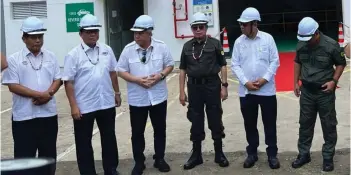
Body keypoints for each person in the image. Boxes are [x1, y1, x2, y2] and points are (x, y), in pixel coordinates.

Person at [62, 14, 121, 175]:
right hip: (84, 106)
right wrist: (73, 106)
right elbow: (68, 82)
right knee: (83, 143)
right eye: (88, 31)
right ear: (81, 34)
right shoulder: (73, 55)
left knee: (109, 139)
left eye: (95, 31)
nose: (92, 34)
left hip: (106, 103)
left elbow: (113, 73)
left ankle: (111, 169)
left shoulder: (107, 50)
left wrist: (117, 93)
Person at [1, 16, 61, 174]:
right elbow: (12, 85)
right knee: (24, 160)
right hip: (24, 118)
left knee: (48, 158)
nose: (38, 41)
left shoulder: (51, 56)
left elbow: (58, 79)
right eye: (33, 37)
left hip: (48, 116)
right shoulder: (14, 59)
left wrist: (49, 94)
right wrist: (40, 95)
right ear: (24, 38)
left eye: (40, 37)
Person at [116, 15, 174, 175]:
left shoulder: (161, 47)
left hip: (158, 97)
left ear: (149, 33)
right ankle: (139, 162)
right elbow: (120, 70)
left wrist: (160, 76)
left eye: (140, 33)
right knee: (137, 132)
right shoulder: (128, 50)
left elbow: (170, 64)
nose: (136, 35)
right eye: (135, 32)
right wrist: (136, 80)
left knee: (160, 129)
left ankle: (160, 159)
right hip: (137, 99)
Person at [292, 17, 346, 172]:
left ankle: (328, 157)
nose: (306, 42)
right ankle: (304, 154)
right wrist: (295, 82)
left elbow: (341, 63)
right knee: (305, 124)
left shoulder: (331, 45)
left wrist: (334, 81)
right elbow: (297, 62)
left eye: (308, 38)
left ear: (316, 33)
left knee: (328, 125)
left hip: (325, 92)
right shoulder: (301, 44)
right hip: (307, 91)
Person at [231, 7, 280, 169]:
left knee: (269, 124)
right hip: (247, 92)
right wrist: (246, 82)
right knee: (250, 124)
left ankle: (272, 154)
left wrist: (265, 79)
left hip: (267, 91)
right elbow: (235, 65)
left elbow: (275, 61)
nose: (242, 27)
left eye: (244, 24)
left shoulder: (267, 39)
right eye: (241, 24)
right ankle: (252, 153)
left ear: (254, 24)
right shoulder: (239, 42)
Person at [179, 12, 229, 170]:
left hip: (212, 85)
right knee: (195, 119)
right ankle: (196, 155)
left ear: (206, 27)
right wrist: (181, 91)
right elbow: (182, 70)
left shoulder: (215, 44)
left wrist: (224, 86)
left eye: (201, 27)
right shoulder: (187, 46)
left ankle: (219, 153)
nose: (198, 29)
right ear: (192, 29)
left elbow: (223, 65)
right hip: (194, 87)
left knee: (215, 117)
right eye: (195, 27)